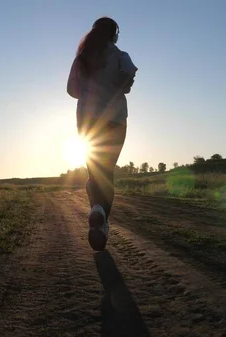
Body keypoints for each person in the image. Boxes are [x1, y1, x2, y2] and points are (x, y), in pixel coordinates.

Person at [66, 17, 138, 251]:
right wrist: (115, 89)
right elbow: (128, 78)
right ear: (114, 35)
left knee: (94, 172)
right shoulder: (120, 56)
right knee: (106, 172)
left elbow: (71, 90)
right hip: (115, 120)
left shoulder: (81, 59)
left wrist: (89, 91)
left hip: (87, 121)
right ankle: (100, 216)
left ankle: (97, 213)